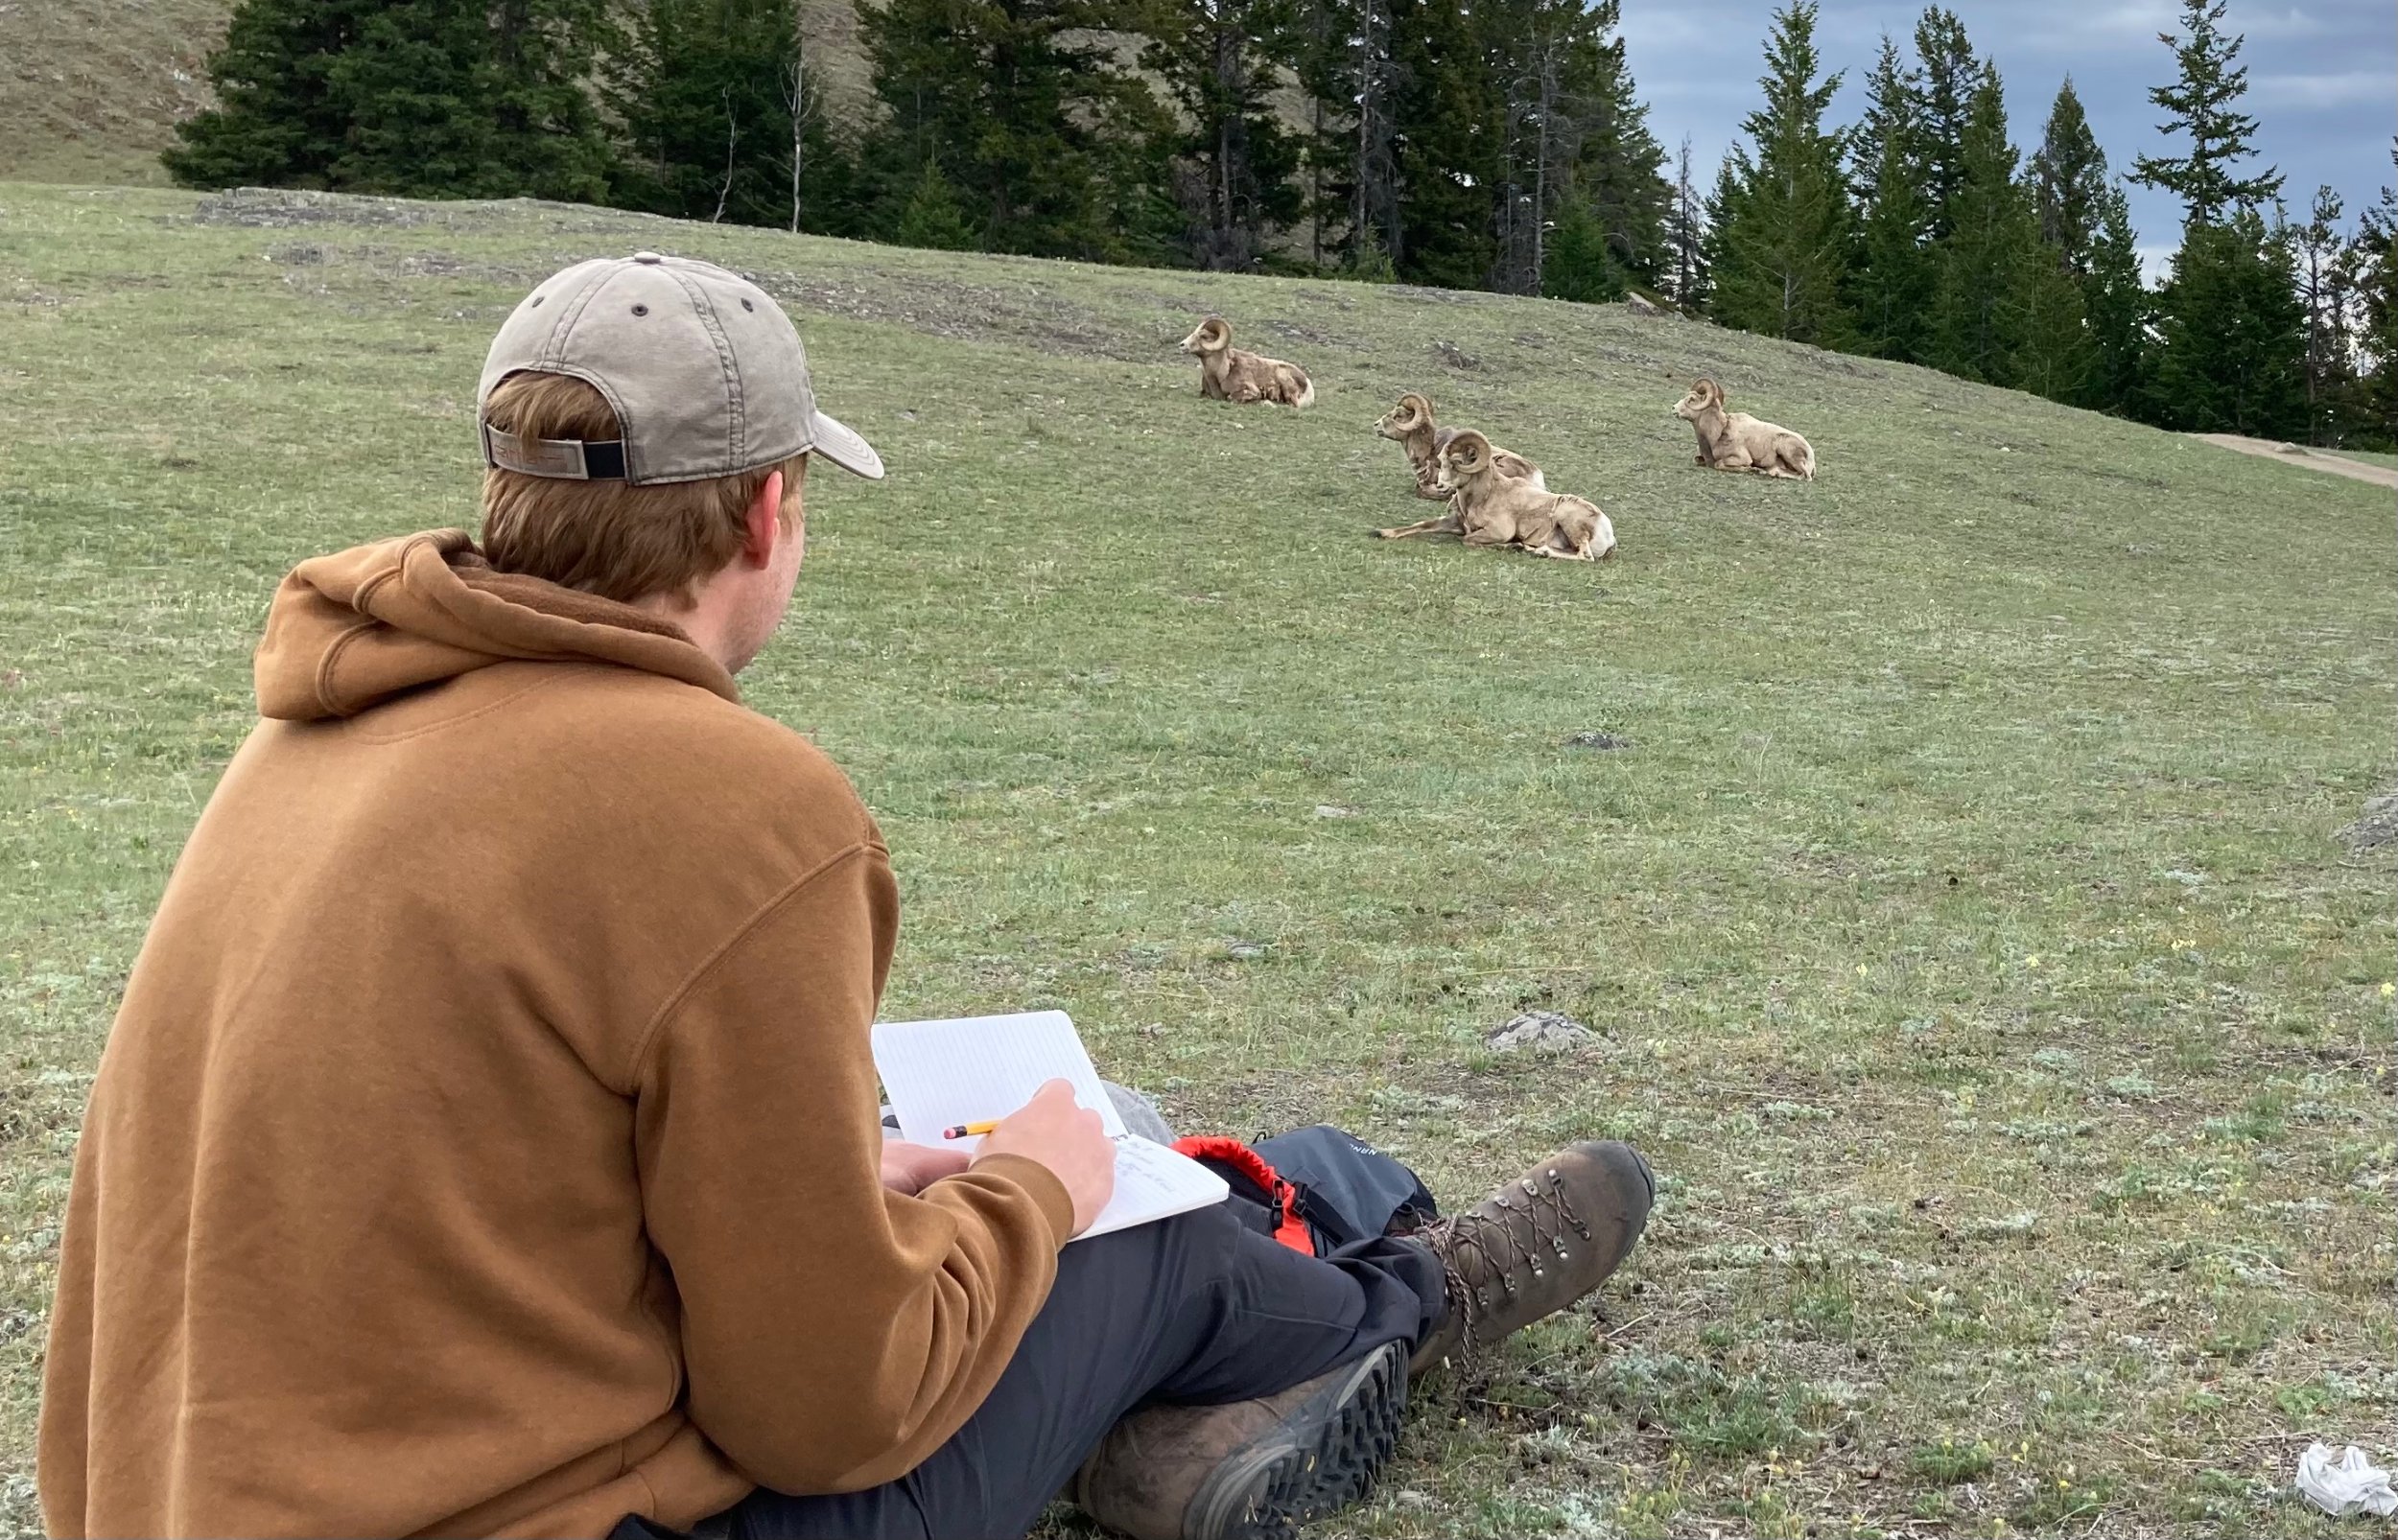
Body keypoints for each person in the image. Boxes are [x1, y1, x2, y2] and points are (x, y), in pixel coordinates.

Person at [36, 254, 1656, 1540]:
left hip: (198, 1497)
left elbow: (479, 1170)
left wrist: (847, 1174)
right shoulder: (736, 807)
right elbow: (827, 1410)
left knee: (1130, 1168)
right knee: (1121, 1224)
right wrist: (1021, 1191)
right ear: (765, 508)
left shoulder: (311, 732)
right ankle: (1416, 1298)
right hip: (541, 1512)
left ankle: (1267, 1298)